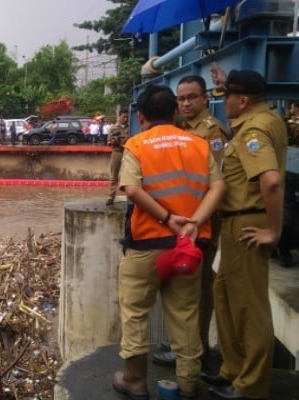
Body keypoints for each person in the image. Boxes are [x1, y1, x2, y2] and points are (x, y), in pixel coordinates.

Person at [113, 84, 225, 400]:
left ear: (140, 115)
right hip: (187, 247)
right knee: (186, 315)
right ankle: (189, 384)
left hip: (146, 246)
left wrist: (166, 218)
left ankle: (134, 381)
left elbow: (132, 190)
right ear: (174, 112)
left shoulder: (136, 144)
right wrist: (194, 222)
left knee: (135, 313)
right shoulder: (199, 144)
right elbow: (218, 187)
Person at [204, 70, 287, 400]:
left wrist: (273, 231)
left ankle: (251, 386)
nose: (223, 103)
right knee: (224, 294)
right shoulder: (264, 120)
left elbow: (271, 181)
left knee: (248, 308)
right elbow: (227, 154)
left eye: (226, 97)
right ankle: (234, 372)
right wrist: (227, 80)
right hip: (236, 222)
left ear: (243, 100)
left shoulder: (254, 130)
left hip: (247, 224)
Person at [152, 75, 229, 371]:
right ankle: (186, 345)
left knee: (198, 284)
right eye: (181, 99)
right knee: (182, 282)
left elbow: (217, 182)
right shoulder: (181, 130)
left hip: (202, 219)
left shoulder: (211, 133)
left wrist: (198, 220)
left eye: (191, 97)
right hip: (182, 219)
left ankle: (193, 349)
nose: (185, 103)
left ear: (205, 98)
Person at [105, 110, 129, 206]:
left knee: (129, 175)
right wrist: (114, 141)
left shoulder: (131, 127)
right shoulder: (113, 128)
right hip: (117, 152)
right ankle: (111, 196)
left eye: (127, 117)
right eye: (124, 117)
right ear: (119, 116)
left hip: (127, 152)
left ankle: (130, 196)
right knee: (114, 175)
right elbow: (108, 142)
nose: (125, 119)